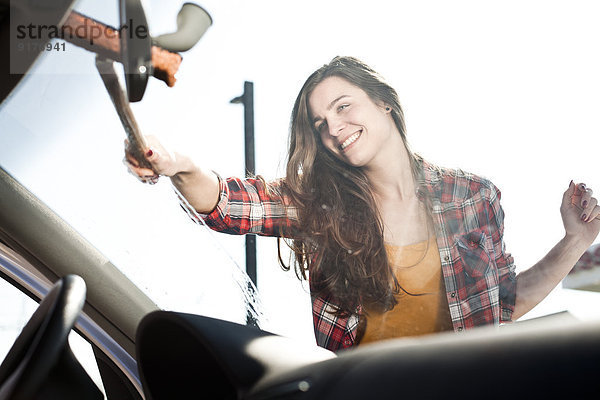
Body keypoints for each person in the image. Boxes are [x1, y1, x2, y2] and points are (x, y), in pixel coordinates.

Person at [125, 56, 600, 352]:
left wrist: (575, 242)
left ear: (383, 104)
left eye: (343, 106)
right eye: (319, 123)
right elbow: (232, 205)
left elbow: (500, 309)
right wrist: (178, 164)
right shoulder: (322, 206)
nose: (332, 127)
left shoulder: (472, 197)